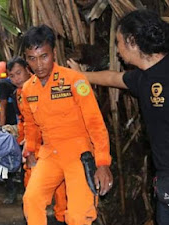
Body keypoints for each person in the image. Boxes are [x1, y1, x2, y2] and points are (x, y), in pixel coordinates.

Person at [67, 9, 169, 225]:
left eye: (118, 42)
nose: (117, 51)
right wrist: (79, 76)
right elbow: (112, 77)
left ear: (132, 41)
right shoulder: (142, 78)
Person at [21, 25, 113, 225]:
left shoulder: (74, 80)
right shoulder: (28, 89)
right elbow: (30, 125)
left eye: (44, 56)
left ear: (54, 53)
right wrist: (30, 151)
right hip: (49, 154)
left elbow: (96, 123)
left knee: (79, 216)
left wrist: (103, 163)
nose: (39, 65)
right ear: (26, 59)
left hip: (78, 155)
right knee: (31, 199)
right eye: (32, 58)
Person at [7, 56, 67, 224]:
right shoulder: (18, 93)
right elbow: (24, 122)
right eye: (12, 76)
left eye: (19, 73)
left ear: (28, 70)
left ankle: (61, 218)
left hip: (52, 147)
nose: (16, 78)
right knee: (32, 189)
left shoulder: (43, 85)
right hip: (32, 147)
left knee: (61, 190)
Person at [0, 61, 17, 127]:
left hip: (11, 122)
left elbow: (3, 109)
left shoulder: (2, 85)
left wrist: (1, 127)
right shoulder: (9, 83)